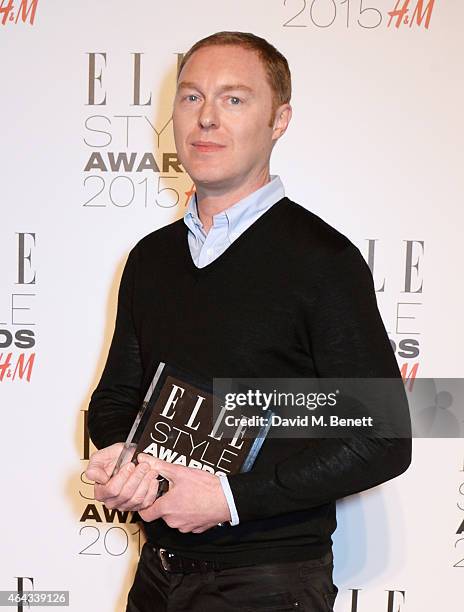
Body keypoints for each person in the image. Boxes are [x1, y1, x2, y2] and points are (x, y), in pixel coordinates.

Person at [85, 31, 411, 612]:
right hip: (156, 576)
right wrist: (127, 462)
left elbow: (383, 439)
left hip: (268, 584)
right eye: (191, 97)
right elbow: (115, 398)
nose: (207, 118)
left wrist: (226, 499)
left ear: (279, 120)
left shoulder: (324, 262)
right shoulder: (149, 259)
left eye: (234, 99)